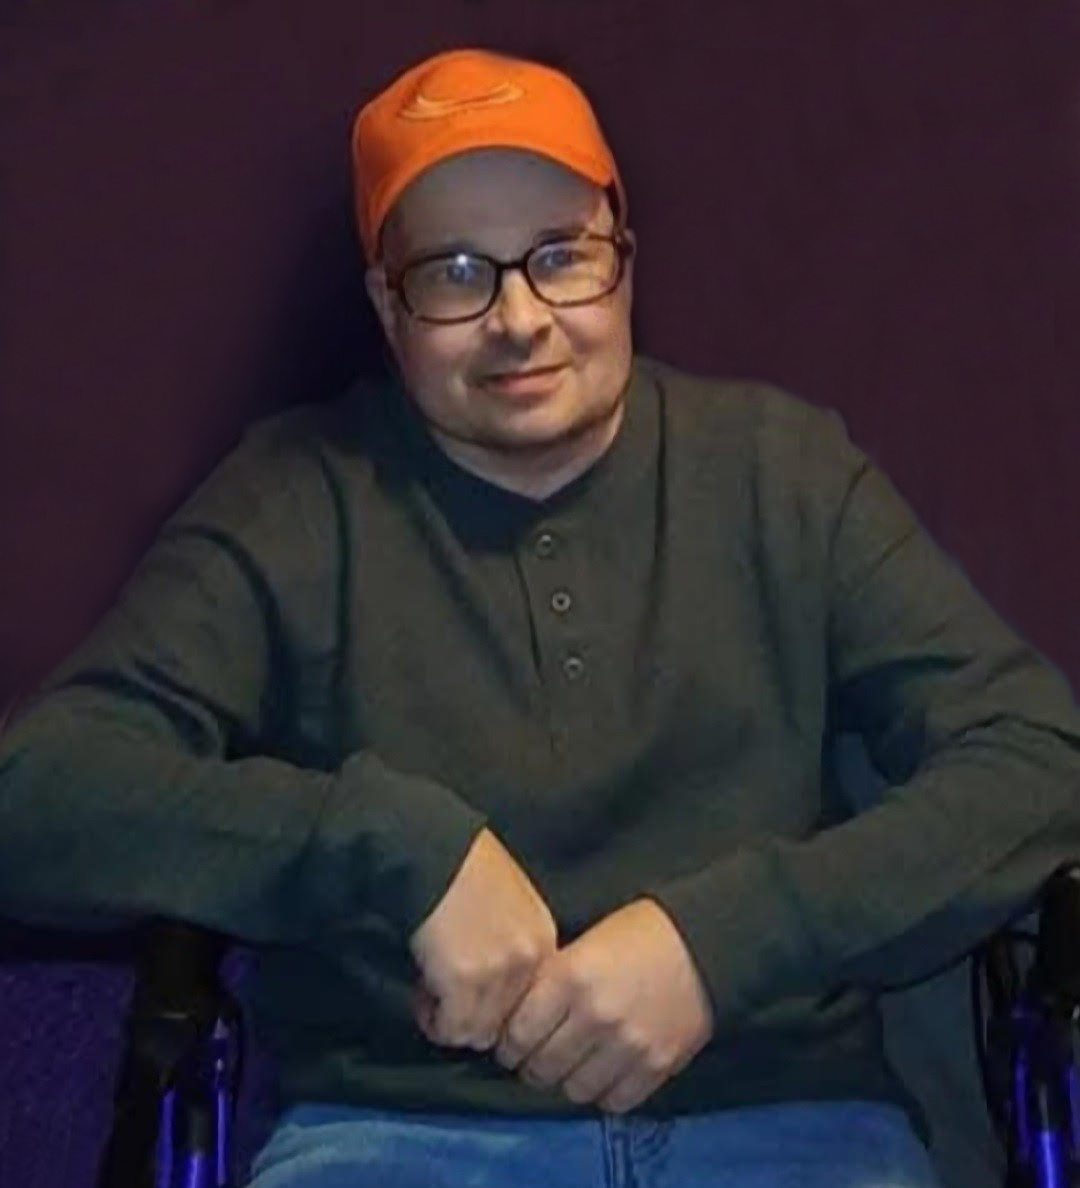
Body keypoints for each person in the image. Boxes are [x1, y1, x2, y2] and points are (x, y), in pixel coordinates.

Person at [2, 45, 1079, 1188]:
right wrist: (388, 850)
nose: (519, 319)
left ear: (624, 265)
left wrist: (720, 945)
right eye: (457, 273)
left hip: (788, 1124)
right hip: (400, 1141)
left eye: (561, 256)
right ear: (386, 304)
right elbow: (38, 797)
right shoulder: (292, 503)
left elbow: (1039, 759)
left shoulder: (785, 473)